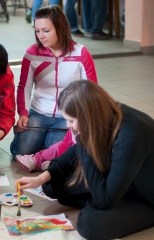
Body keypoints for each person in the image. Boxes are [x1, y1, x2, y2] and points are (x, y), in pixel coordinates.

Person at [16, 80, 154, 240]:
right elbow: (74, 153)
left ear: (88, 117)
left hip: (151, 201)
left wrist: (84, 143)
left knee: (89, 223)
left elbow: (104, 201)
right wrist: (41, 178)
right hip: (123, 184)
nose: (69, 126)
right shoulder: (106, 114)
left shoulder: (131, 133)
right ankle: (109, 204)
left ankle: (145, 216)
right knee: (52, 183)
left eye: (72, 121)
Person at [10, 5, 97, 159]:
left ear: (60, 28)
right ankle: (41, 141)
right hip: (39, 112)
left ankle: (46, 145)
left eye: (46, 30)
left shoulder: (81, 53)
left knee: (57, 156)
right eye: (37, 31)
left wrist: (81, 119)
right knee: (20, 152)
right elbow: (24, 87)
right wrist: (23, 113)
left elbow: (91, 90)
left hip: (67, 115)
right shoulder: (31, 54)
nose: (40, 36)